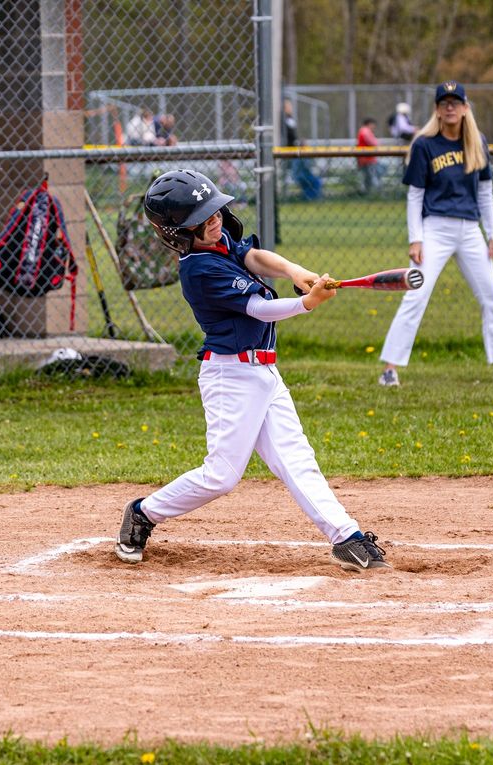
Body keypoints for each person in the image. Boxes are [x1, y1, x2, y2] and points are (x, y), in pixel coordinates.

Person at [115, 169, 391, 573]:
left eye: (215, 212)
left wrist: (295, 272)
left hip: (264, 372)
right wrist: (306, 303)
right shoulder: (198, 270)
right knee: (221, 477)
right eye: (203, 218)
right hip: (230, 377)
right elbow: (259, 309)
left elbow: (253, 257)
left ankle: (346, 538)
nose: (215, 221)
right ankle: (143, 512)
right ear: (177, 232)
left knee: (298, 460)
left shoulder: (220, 239)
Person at [378, 81, 493, 387]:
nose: (450, 107)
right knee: (415, 294)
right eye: (444, 103)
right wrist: (416, 239)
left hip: (469, 230)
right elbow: (414, 195)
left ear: (465, 108)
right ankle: (390, 369)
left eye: (456, 102)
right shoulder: (425, 145)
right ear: (437, 110)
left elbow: (485, 192)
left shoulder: (476, 141)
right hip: (434, 227)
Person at [282, 98, 322, 201]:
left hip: (295, 152)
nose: (290, 108)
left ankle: (310, 197)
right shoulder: (284, 119)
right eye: (288, 106)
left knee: (315, 180)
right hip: (290, 151)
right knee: (311, 179)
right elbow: (290, 136)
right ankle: (308, 197)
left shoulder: (289, 119)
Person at [356, 117, 381, 194]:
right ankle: (374, 193)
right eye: (373, 125)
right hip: (367, 158)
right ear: (369, 124)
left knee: (368, 177)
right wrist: (377, 143)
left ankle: (368, 192)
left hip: (366, 158)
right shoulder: (365, 131)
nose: (373, 127)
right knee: (370, 177)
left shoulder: (364, 131)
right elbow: (373, 143)